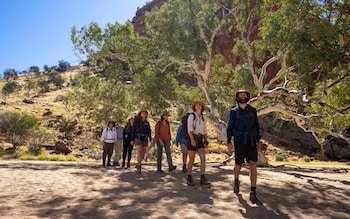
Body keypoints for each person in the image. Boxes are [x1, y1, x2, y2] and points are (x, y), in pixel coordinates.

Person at [226, 90, 262, 204]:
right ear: (237, 97)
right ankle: (236, 180)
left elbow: (257, 126)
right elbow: (229, 127)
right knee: (238, 166)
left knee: (253, 165)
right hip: (239, 142)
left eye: (244, 95)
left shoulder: (252, 110)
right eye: (240, 95)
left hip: (251, 141)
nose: (242, 96)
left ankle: (253, 192)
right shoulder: (234, 111)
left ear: (247, 96)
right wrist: (228, 142)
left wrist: (258, 141)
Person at [186, 101, 210, 186]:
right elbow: (190, 128)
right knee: (191, 158)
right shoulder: (191, 116)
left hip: (200, 139)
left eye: (200, 105)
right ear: (194, 107)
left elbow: (205, 130)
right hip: (193, 138)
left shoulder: (203, 117)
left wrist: (206, 140)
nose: (198, 106)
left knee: (203, 158)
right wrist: (192, 139)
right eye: (197, 105)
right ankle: (189, 177)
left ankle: (202, 177)